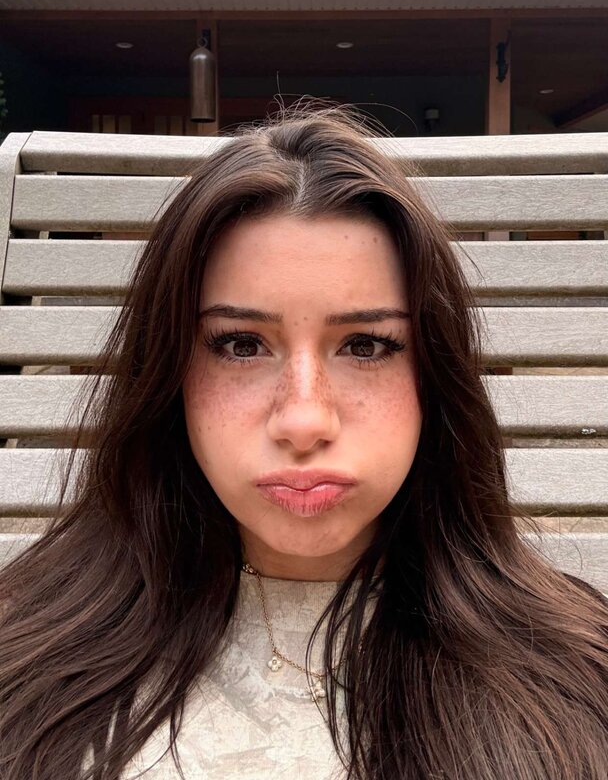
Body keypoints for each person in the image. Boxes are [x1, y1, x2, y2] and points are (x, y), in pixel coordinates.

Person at [0, 100, 606, 780]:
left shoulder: (576, 687)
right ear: (167, 374)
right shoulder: (23, 666)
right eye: (240, 344)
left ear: (434, 376)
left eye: (367, 345)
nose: (304, 420)